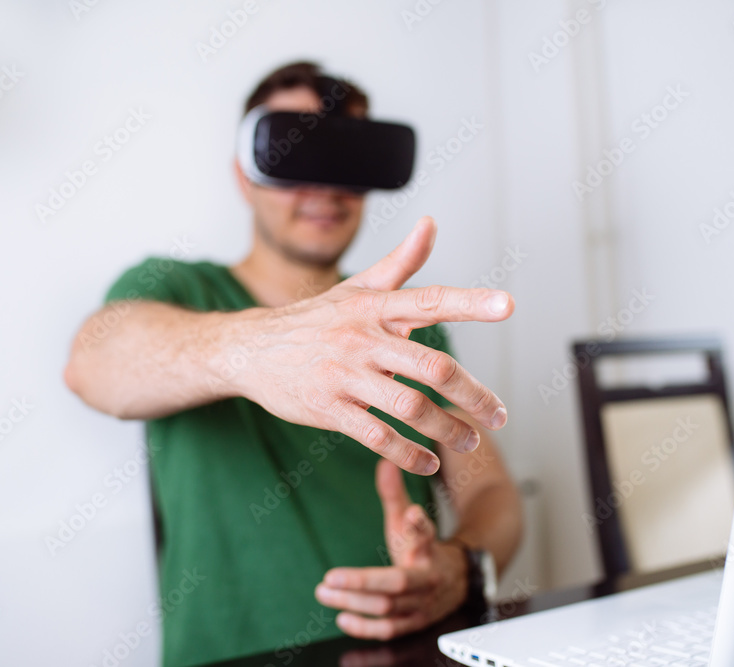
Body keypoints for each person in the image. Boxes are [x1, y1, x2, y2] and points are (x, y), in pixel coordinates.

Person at [64, 61, 524, 667]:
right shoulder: (176, 289)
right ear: (242, 174)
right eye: (294, 153)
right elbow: (94, 362)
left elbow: (490, 489)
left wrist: (459, 566)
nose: (325, 187)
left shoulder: (411, 324)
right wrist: (264, 346)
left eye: (346, 160)